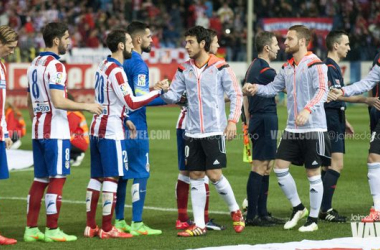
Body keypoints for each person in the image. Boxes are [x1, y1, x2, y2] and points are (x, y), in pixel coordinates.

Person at [244, 25, 329, 232]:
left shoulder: (316, 64)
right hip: (292, 128)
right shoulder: (286, 67)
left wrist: (308, 109)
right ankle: (299, 207)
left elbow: (323, 91)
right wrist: (255, 88)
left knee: (313, 173)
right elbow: (272, 88)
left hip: (314, 127)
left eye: (289, 39)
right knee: (280, 167)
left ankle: (313, 220)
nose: (284, 43)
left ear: (302, 41)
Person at [161, 25, 244, 237]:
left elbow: (236, 94)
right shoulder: (183, 69)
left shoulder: (221, 67)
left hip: (214, 131)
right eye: (186, 42)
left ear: (202, 44)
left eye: (190, 42)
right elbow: (173, 97)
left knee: (215, 175)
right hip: (192, 131)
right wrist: (163, 90)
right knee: (196, 175)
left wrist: (233, 121)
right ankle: (199, 225)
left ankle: (235, 211)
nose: (186, 46)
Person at [84, 29, 167, 239]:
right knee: (113, 177)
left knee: (96, 177)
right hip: (111, 130)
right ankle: (107, 228)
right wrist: (159, 92)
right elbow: (131, 101)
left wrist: (125, 118)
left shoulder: (103, 65)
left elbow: (113, 99)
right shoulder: (119, 70)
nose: (131, 45)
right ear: (121, 45)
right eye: (129, 41)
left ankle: (91, 226)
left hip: (96, 126)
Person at [24, 22, 103, 243]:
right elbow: (58, 101)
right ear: (56, 40)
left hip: (39, 130)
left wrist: (37, 120)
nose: (70, 41)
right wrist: (87, 106)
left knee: (40, 179)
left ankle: (31, 229)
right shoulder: (56, 66)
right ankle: (52, 229)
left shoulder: (34, 64)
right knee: (57, 179)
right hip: (56, 131)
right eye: (67, 37)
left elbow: (30, 99)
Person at [319, 30, 380, 223]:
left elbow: (337, 95)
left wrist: (345, 113)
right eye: (346, 43)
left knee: (329, 165)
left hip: (335, 118)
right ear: (336, 45)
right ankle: (323, 207)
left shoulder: (332, 67)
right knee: (332, 164)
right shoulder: (328, 67)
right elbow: (331, 95)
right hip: (330, 119)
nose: (349, 47)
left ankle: (321, 207)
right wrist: (363, 99)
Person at [114, 21, 164, 236]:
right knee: (141, 172)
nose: (151, 40)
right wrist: (167, 97)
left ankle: (118, 221)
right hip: (136, 126)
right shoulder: (138, 64)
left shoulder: (120, 62)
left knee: (123, 174)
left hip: (120, 122)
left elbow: (130, 93)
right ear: (137, 40)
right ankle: (137, 222)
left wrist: (152, 90)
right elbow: (140, 99)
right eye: (149, 36)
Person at [175, 29, 225, 231]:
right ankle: (190, 218)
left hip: (199, 127)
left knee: (197, 172)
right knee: (193, 172)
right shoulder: (189, 68)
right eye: (215, 42)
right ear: (206, 44)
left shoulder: (213, 68)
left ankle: (199, 220)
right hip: (189, 126)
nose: (218, 46)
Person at [242, 31, 283, 226]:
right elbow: (286, 85)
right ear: (267, 48)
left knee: (266, 167)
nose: (278, 47)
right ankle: (252, 216)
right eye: (276, 44)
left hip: (260, 119)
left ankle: (262, 212)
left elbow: (244, 94)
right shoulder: (266, 71)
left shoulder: (253, 66)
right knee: (259, 166)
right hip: (265, 119)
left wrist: (247, 118)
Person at [0, 25, 18, 246]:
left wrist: (4, 132)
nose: (13, 51)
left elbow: (1, 106)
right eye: (10, 47)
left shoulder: (2, 67)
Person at [67, 93, 89, 167]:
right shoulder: (74, 112)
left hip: (79, 142)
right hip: (80, 141)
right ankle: (74, 156)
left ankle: (77, 155)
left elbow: (68, 132)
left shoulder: (73, 114)